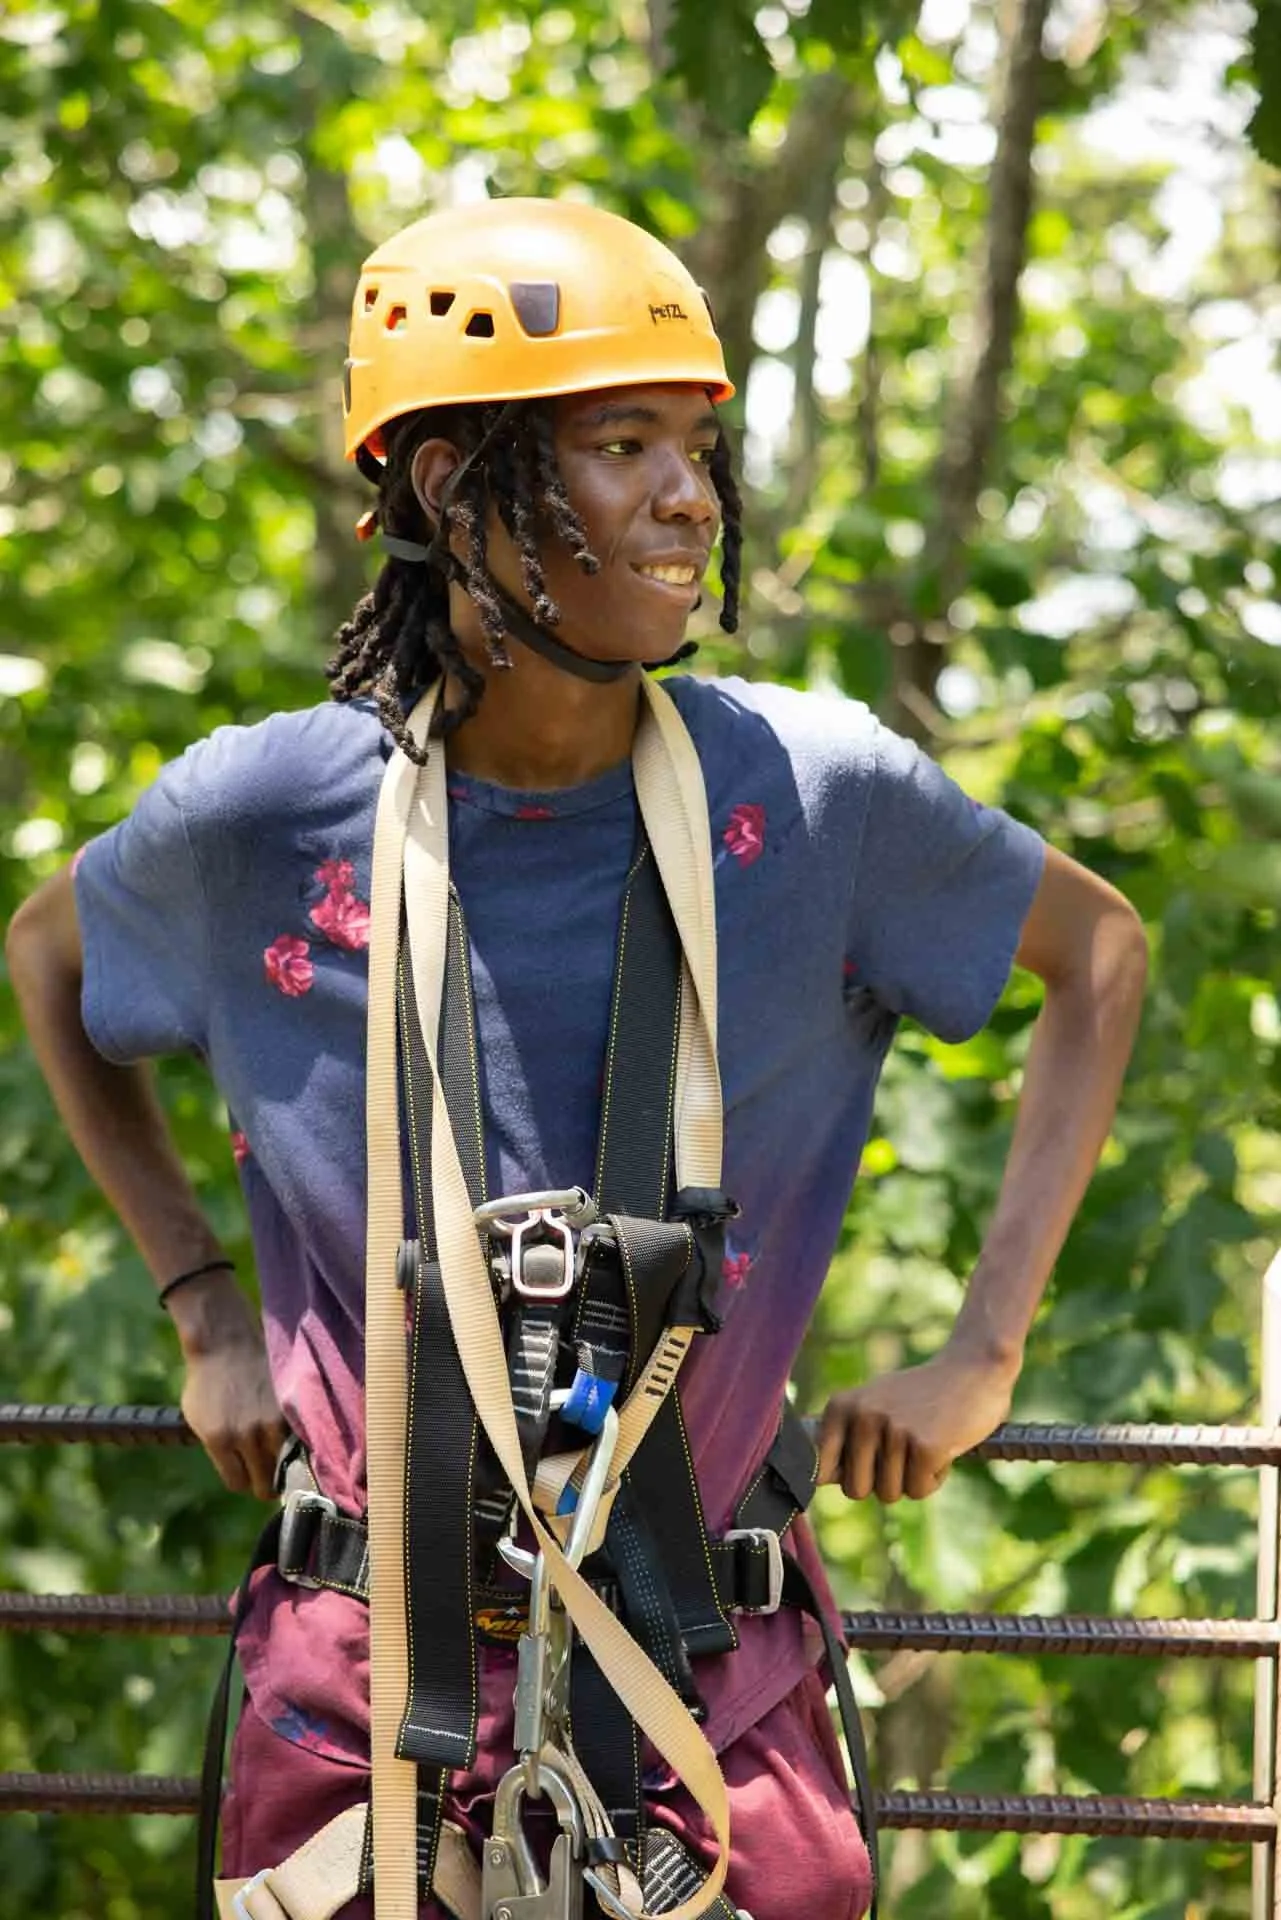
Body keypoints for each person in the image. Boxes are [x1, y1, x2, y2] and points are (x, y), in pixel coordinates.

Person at [6, 197, 1148, 1920]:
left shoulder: (811, 801)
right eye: (626, 446)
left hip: (714, 1700)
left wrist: (983, 1357)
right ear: (454, 491)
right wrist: (202, 1304)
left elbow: (1102, 954)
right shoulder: (269, 815)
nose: (691, 494)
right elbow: (46, 950)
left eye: (699, 446)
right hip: (364, 1715)